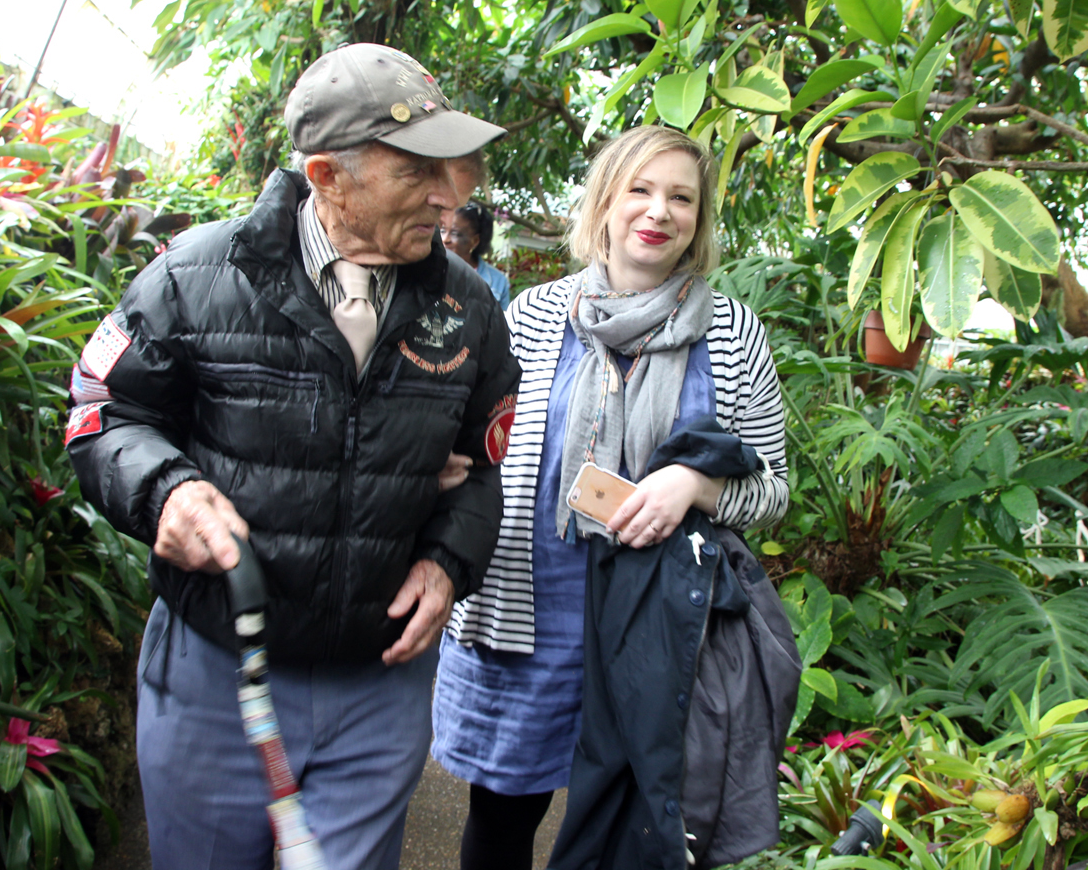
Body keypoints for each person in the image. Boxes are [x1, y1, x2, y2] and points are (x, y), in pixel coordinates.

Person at [64, 43, 521, 870]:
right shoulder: (194, 276)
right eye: (416, 171)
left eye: (449, 167)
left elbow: (481, 466)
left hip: (380, 678)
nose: (450, 195)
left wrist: (451, 559)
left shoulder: (469, 307)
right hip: (217, 671)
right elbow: (104, 412)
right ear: (326, 176)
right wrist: (164, 490)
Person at [430, 125, 789, 870]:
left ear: (699, 218)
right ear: (605, 202)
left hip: (658, 627)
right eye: (641, 189)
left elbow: (771, 490)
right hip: (534, 613)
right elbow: (478, 442)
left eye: (681, 197)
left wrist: (694, 484)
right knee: (502, 815)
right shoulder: (530, 317)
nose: (659, 211)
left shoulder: (729, 331)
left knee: (636, 830)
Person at [441, 192, 512, 309]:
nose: (445, 239)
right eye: (442, 231)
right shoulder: (425, 269)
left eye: (455, 233)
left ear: (475, 241)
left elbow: (500, 324)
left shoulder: (497, 282)